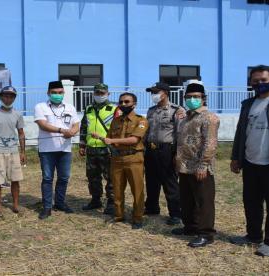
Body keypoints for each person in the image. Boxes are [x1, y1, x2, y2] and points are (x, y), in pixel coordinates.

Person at [173, 83, 220, 248]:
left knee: (204, 201)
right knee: (186, 200)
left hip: (200, 167)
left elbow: (210, 143)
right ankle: (190, 227)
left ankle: (206, 234)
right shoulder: (185, 118)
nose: (192, 100)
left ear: (203, 98)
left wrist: (203, 165)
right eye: (189, 97)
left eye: (196, 97)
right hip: (185, 166)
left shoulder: (209, 117)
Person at [92, 92, 148, 229]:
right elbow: (110, 140)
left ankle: (137, 218)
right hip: (117, 159)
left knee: (137, 190)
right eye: (121, 102)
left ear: (134, 104)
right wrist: (101, 138)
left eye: (127, 102)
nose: (123, 104)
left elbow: (134, 140)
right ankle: (118, 216)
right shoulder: (115, 121)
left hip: (134, 159)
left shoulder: (141, 121)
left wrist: (112, 140)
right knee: (116, 190)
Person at [230, 65, 269, 256]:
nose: (260, 83)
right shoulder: (248, 104)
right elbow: (240, 132)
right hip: (251, 162)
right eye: (256, 81)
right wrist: (235, 158)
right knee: (251, 202)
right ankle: (253, 235)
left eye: (263, 80)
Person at [35, 81, 80, 220]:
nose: (57, 95)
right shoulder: (41, 107)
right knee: (47, 178)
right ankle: (47, 207)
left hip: (65, 149)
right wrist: (62, 130)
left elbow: (76, 123)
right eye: (54, 92)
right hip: (47, 150)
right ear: (48, 93)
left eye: (60, 92)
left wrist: (72, 131)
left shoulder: (70, 107)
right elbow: (43, 125)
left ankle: (60, 203)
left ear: (64, 93)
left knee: (64, 178)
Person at [144, 82, 184, 225]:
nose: (153, 95)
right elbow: (147, 131)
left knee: (170, 182)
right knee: (151, 180)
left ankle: (175, 213)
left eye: (156, 92)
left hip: (167, 149)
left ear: (165, 93)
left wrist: (177, 154)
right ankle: (152, 207)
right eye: (152, 92)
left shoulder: (176, 110)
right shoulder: (151, 110)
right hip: (150, 149)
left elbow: (180, 133)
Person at [79, 83, 120, 214]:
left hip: (107, 149)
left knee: (110, 177)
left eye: (102, 93)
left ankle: (111, 202)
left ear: (108, 94)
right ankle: (95, 200)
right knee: (92, 176)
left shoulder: (114, 109)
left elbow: (119, 129)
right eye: (97, 93)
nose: (99, 95)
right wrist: (82, 144)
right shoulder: (89, 108)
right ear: (93, 94)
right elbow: (84, 126)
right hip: (91, 148)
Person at [0, 86, 26, 217]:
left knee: (15, 180)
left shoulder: (17, 114)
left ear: (14, 98)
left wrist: (23, 152)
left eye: (11, 96)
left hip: (13, 151)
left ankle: (15, 205)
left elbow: (21, 133)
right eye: (5, 96)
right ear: (0, 97)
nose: (8, 98)